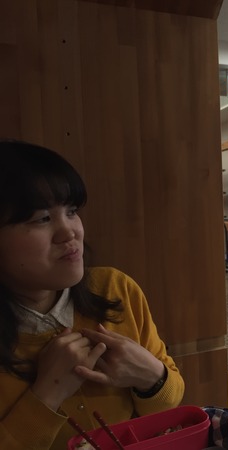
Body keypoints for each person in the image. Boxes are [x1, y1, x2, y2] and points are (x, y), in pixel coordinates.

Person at [0, 140, 185, 449]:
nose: (70, 232)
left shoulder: (115, 288)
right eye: (42, 218)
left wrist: (152, 378)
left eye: (71, 211)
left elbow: (168, 408)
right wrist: (47, 393)